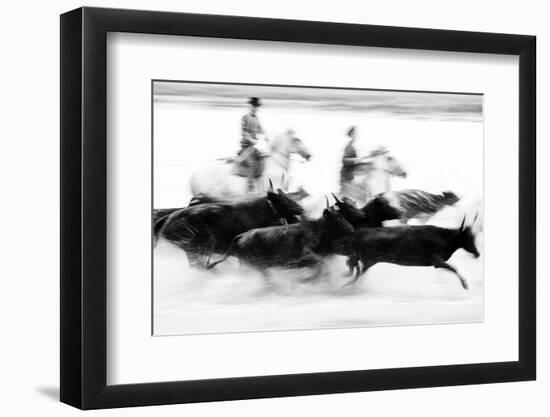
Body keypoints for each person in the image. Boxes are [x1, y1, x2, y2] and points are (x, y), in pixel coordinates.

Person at [236, 97, 268, 192]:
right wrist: (251, 140)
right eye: (253, 106)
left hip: (254, 147)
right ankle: (250, 187)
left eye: (256, 107)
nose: (255, 108)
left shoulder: (256, 118)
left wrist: (266, 136)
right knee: (252, 164)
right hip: (246, 147)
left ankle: (262, 183)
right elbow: (244, 133)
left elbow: (260, 129)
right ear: (250, 106)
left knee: (263, 159)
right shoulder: (245, 118)